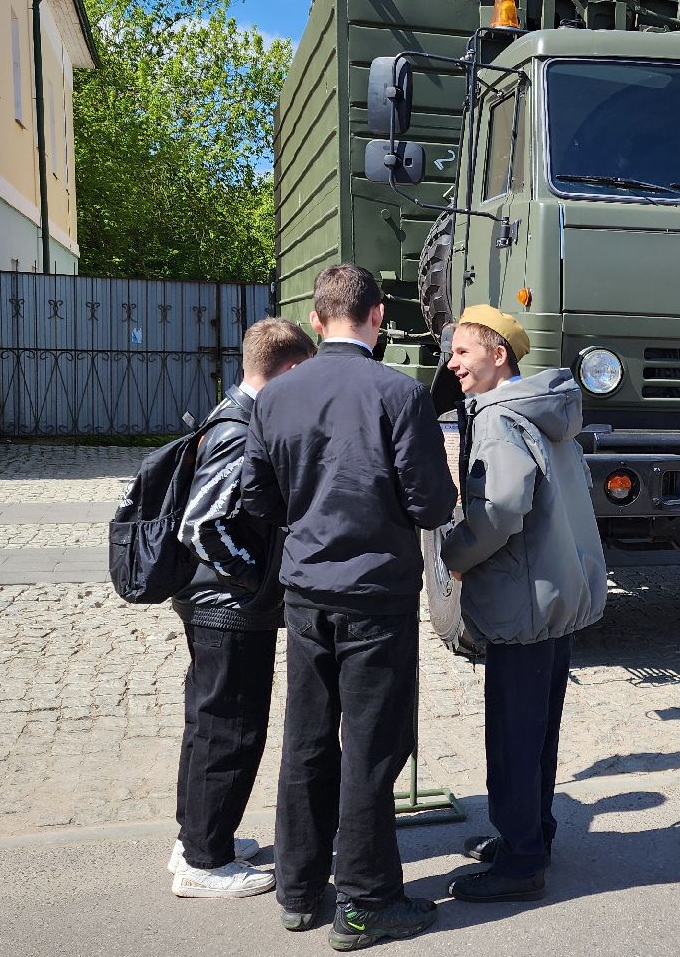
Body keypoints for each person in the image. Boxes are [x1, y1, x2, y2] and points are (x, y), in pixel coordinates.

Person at [241, 264, 457, 949]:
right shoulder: (399, 392)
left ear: (314, 316)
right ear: (379, 316)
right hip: (374, 594)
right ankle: (365, 903)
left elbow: (256, 497)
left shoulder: (276, 396)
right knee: (370, 745)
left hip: (306, 591)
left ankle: (301, 891)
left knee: (307, 738)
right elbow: (431, 503)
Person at [438, 306, 607, 903]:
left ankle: (519, 861)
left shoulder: (500, 419)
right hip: (554, 600)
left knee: (513, 736)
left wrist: (455, 553)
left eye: (462, 352)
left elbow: (500, 509)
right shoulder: (546, 410)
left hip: (521, 602)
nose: (452, 364)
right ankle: (533, 834)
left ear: (498, 354)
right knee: (538, 730)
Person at [168, 317, 318, 899]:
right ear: (289, 370)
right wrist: (256, 578)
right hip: (226, 606)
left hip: (218, 602)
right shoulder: (239, 428)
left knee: (210, 723)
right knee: (230, 727)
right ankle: (205, 861)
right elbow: (202, 525)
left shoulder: (230, 413)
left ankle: (201, 838)